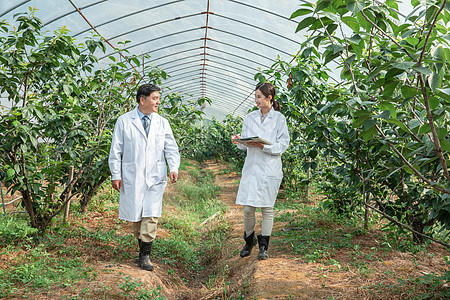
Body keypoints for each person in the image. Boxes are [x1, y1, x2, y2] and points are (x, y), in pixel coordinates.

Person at [109, 83, 180, 271]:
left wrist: (174, 167)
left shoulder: (162, 122)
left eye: (158, 98)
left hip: (156, 175)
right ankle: (142, 249)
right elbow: (116, 151)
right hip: (134, 174)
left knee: (152, 213)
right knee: (138, 216)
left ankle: (145, 255)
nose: (158, 102)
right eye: (155, 98)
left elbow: (171, 148)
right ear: (143, 100)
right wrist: (116, 174)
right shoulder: (124, 121)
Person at [231, 82, 290, 260]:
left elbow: (283, 144)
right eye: (255, 97)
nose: (256, 100)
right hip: (252, 168)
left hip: (270, 168)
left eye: (259, 96)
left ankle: (263, 247)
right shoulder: (250, 118)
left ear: (269, 98)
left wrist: (263, 146)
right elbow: (245, 145)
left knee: (267, 208)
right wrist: (239, 141)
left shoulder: (279, 119)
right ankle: (249, 241)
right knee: (248, 209)